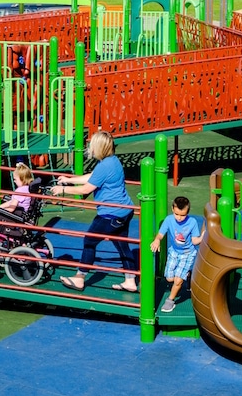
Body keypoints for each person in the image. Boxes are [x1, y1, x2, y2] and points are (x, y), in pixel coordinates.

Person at [51, 131, 137, 292]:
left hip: (110, 214)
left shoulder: (104, 165)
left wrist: (61, 189)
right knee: (122, 245)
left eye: (92, 146)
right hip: (124, 211)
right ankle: (130, 280)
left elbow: (86, 188)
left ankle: (79, 278)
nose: (90, 148)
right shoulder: (112, 161)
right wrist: (69, 180)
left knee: (89, 241)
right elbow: (93, 177)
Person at [149, 196, 204, 312]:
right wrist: (157, 240)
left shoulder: (192, 222)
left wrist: (202, 237)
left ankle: (170, 301)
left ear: (188, 212)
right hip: (174, 252)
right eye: (177, 214)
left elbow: (194, 241)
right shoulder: (169, 220)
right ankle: (187, 274)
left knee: (178, 280)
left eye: (182, 215)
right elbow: (160, 234)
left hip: (187, 254)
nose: (179, 218)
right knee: (169, 279)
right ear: (172, 209)